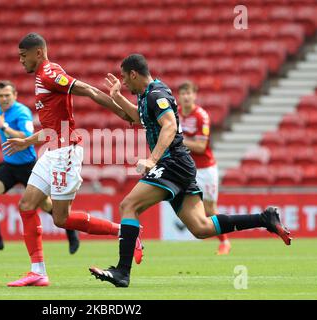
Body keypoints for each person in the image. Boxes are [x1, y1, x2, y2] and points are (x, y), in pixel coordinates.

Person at [89, 54, 291, 288]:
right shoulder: (147, 96)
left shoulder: (157, 94)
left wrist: (152, 159)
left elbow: (170, 125)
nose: (123, 82)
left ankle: (122, 272)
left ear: (134, 74)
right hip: (180, 165)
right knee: (201, 228)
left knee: (128, 205)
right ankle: (264, 218)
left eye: (125, 77)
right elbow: (136, 117)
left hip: (171, 162)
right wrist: (116, 97)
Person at [2, 33, 144, 287]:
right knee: (26, 205)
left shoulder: (49, 73)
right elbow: (53, 128)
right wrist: (26, 141)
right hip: (52, 149)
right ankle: (38, 272)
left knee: (60, 219)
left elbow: (88, 90)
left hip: (65, 152)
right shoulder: (42, 76)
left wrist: (123, 114)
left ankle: (124, 232)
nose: (21, 61)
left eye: (24, 56)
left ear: (38, 53)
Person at [0, 80, 80, 255]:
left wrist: (4, 126)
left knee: (46, 205)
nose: (4, 99)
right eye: (0, 96)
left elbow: (26, 135)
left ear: (15, 95)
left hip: (27, 166)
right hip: (9, 165)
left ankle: (70, 231)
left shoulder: (22, 112)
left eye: (7, 95)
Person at [178, 81, 231, 255]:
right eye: (183, 93)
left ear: (194, 95)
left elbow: (201, 147)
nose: (186, 96)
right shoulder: (176, 115)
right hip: (186, 169)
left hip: (205, 169)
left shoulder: (201, 116)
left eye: (189, 93)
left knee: (209, 209)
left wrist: (177, 140)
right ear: (179, 96)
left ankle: (225, 242)